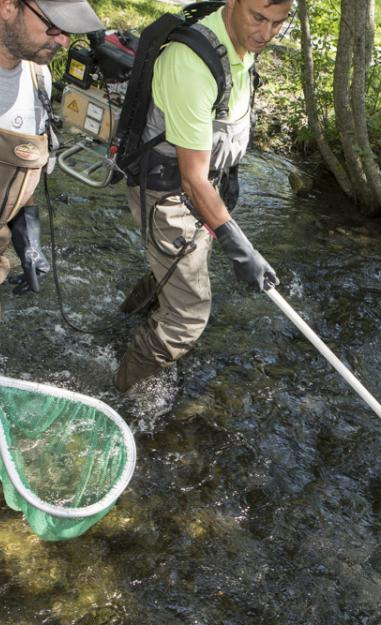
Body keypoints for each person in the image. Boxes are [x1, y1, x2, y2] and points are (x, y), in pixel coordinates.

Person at [114, 0, 294, 392]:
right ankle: (120, 392)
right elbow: (193, 179)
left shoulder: (239, 45)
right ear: (233, 3)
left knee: (172, 274)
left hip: (203, 191)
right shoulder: (192, 64)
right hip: (171, 193)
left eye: (278, 23)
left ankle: (120, 329)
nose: (265, 34)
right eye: (258, 18)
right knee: (188, 318)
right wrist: (241, 249)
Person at [0, 0, 103, 371]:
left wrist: (28, 237)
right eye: (53, 26)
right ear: (7, 6)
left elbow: (26, 167)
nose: (64, 41)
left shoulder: (39, 77)